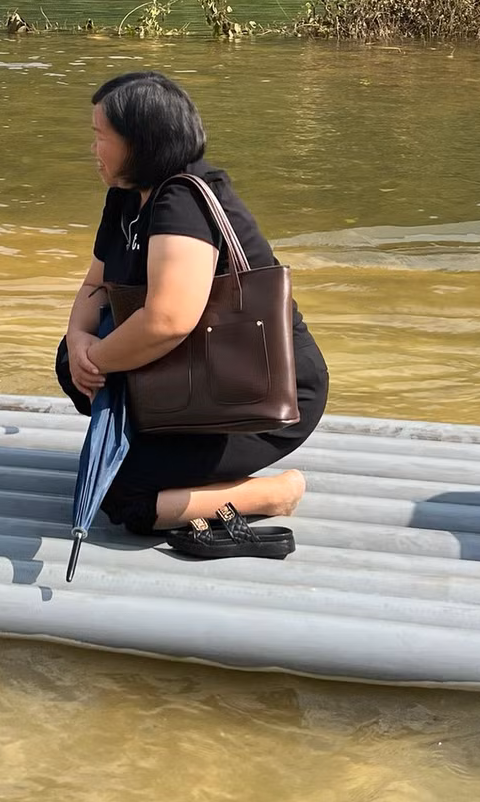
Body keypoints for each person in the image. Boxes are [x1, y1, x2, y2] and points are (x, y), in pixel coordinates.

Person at [57, 70, 328, 557]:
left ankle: (274, 493)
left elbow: (168, 320)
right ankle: (173, 453)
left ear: (139, 142)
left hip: (256, 393)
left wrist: (96, 358)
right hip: (192, 378)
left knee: (124, 496)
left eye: (101, 137)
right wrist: (78, 341)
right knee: (65, 361)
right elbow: (96, 284)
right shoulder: (125, 198)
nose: (92, 149)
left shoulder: (182, 201)